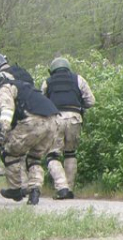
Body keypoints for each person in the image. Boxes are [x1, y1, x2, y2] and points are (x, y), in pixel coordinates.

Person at [0, 69, 66, 206]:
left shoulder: (4, 89)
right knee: (34, 157)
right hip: (54, 121)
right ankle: (35, 191)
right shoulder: (22, 85)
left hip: (34, 121)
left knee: (8, 152)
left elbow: (7, 110)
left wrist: (2, 132)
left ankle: (16, 189)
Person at [41, 57, 95, 195]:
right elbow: (91, 101)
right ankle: (70, 188)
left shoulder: (47, 82)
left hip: (55, 119)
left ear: (52, 70)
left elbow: (42, 102)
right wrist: (79, 106)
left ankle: (61, 188)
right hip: (74, 118)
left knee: (53, 155)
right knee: (70, 153)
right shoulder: (78, 79)